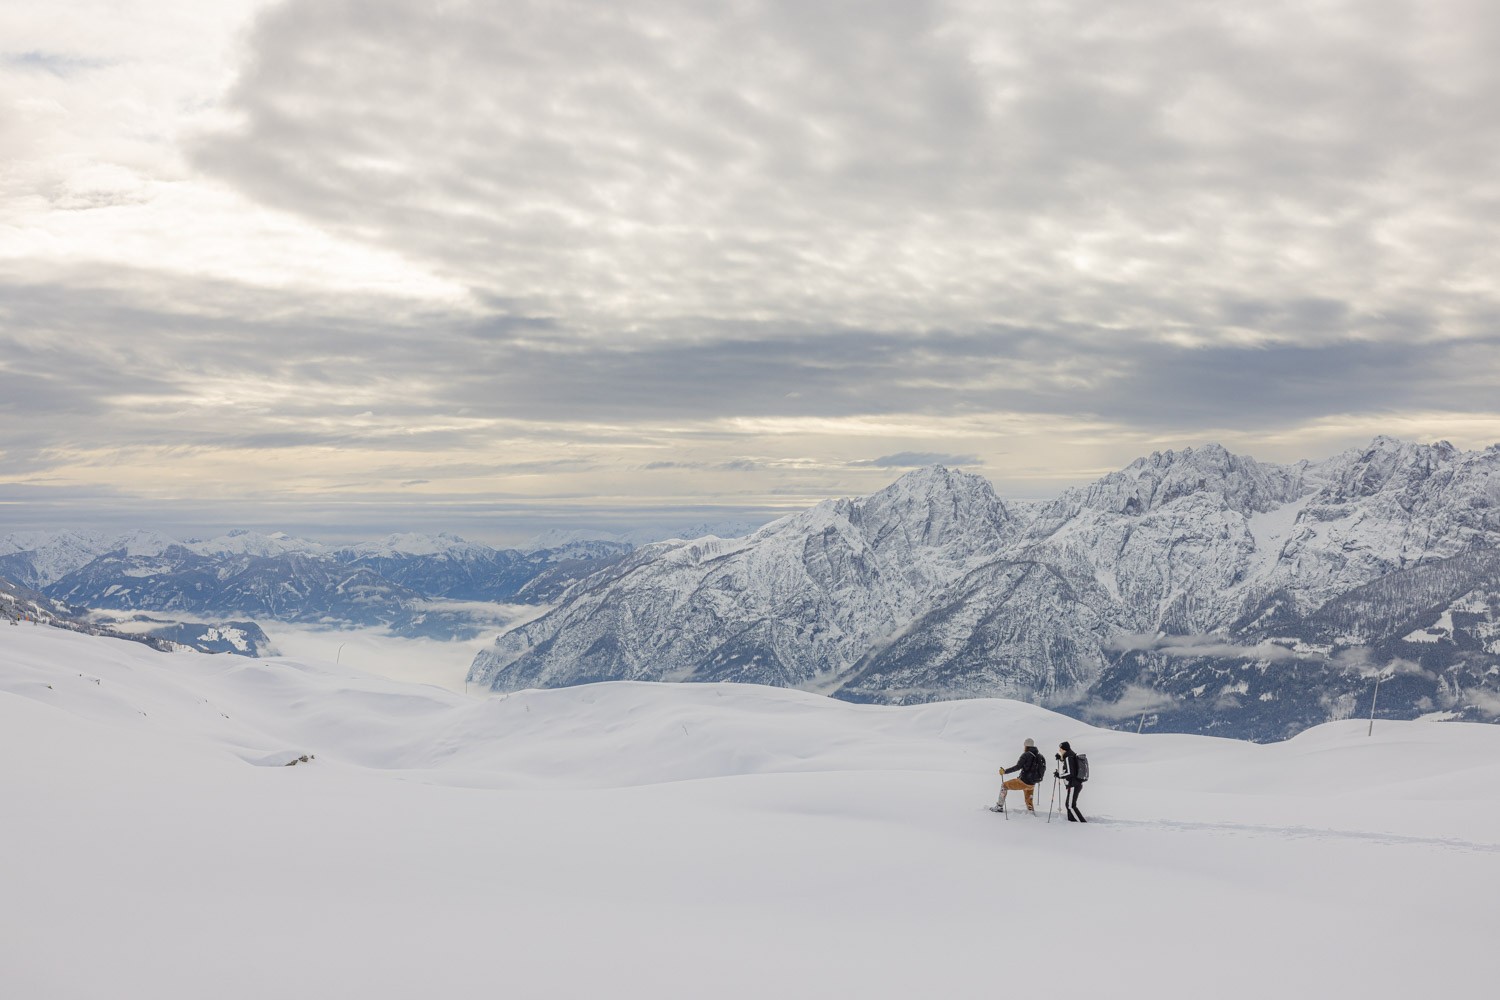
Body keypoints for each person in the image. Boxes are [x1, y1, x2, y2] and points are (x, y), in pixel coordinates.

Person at [995, 738, 1047, 813]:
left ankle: (999, 806)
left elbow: (1017, 767)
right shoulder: (1041, 756)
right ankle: (1030, 811)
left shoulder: (1026, 755)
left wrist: (1005, 771)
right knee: (1029, 797)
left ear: (1026, 746)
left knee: (1004, 786)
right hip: (1032, 784)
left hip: (1023, 781)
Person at [1055, 741, 1086, 822]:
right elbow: (1071, 766)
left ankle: (1082, 823)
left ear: (1064, 749)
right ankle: (1072, 821)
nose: (1059, 750)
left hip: (1073, 784)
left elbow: (1070, 772)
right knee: (1069, 804)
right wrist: (1061, 758)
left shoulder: (1068, 758)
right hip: (1075, 784)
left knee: (1070, 806)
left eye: (1060, 748)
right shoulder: (1070, 755)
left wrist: (1059, 775)